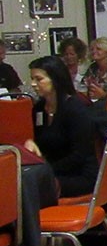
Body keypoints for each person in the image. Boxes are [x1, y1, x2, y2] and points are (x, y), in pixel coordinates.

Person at [23, 56, 98, 197]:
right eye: (32, 79)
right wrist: (32, 146)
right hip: (54, 171)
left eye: (39, 79)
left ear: (55, 80)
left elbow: (79, 156)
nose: (33, 84)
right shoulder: (39, 109)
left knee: (26, 190)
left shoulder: (75, 109)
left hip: (80, 175)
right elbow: (42, 145)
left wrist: (45, 170)